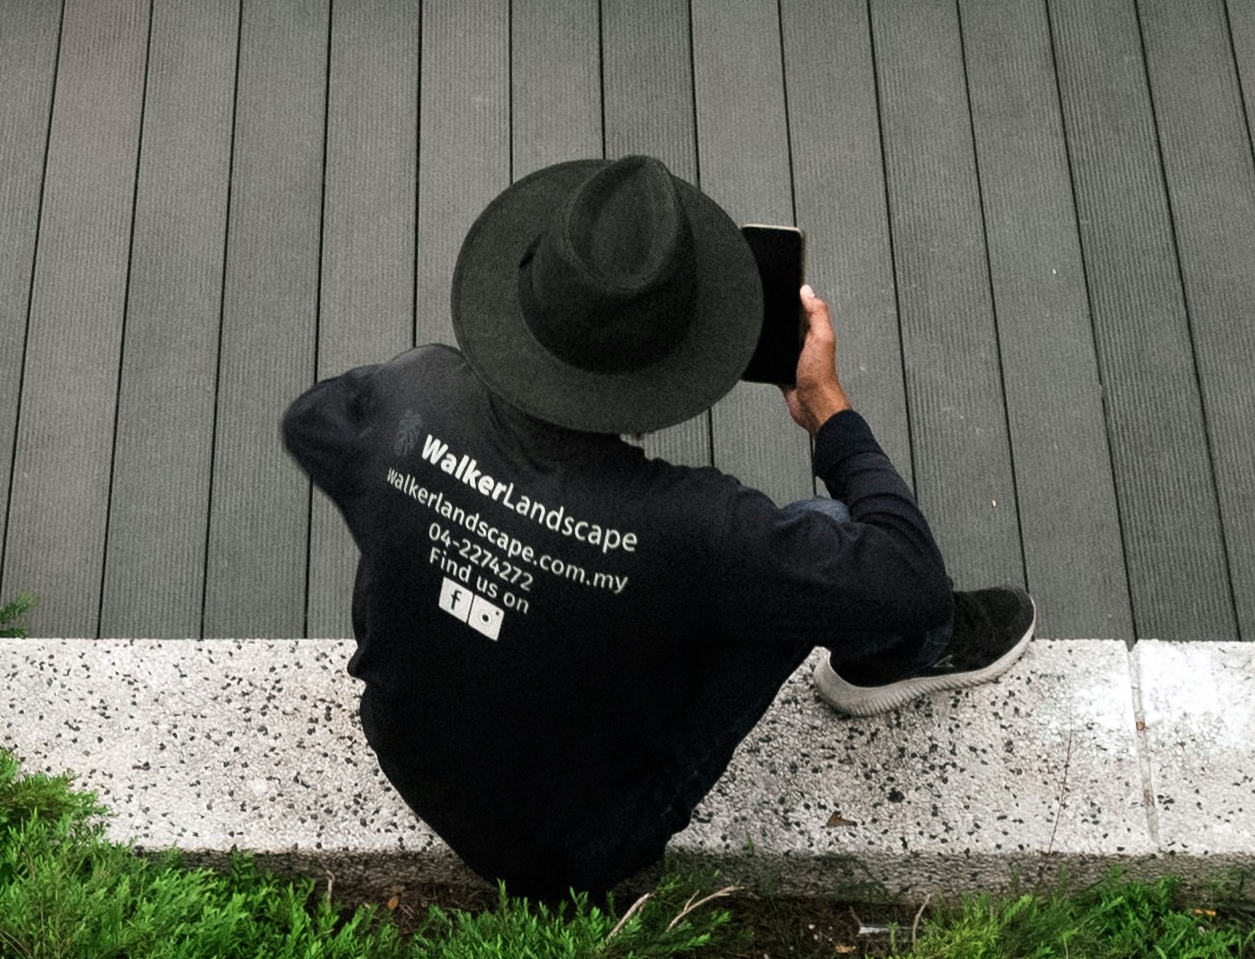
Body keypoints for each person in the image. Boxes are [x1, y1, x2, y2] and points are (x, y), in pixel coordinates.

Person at [278, 154, 1035, 901]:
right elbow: (911, 581)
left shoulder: (411, 396)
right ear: (676, 365)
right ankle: (882, 670)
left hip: (405, 746)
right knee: (823, 527)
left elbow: (311, 422)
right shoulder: (698, 529)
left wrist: (445, 509)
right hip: (575, 852)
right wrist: (829, 409)